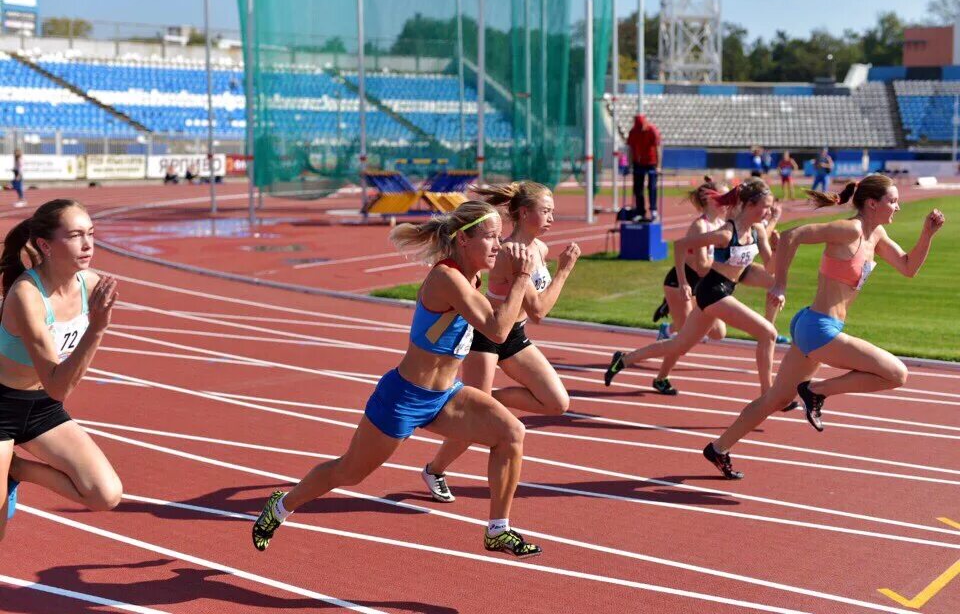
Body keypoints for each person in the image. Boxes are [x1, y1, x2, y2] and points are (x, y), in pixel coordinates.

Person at [251, 201, 543, 558]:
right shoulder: (447, 277)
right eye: (491, 237)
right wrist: (523, 277)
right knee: (348, 472)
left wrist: (520, 272)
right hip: (403, 397)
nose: (498, 244)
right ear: (464, 240)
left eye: (499, 237)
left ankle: (498, 529)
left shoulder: (473, 275)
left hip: (445, 397)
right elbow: (497, 329)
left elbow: (506, 316)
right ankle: (282, 505)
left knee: (511, 433)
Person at [702, 175, 945, 479]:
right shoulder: (850, 229)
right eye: (892, 201)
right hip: (819, 329)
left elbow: (909, 267)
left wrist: (928, 234)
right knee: (897, 373)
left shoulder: (876, 235)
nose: (897, 206)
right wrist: (778, 284)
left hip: (814, 326)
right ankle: (816, 392)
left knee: (776, 399)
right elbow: (791, 236)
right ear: (872, 204)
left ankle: (719, 448)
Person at [420, 182, 581, 503]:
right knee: (474, 422)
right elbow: (539, 311)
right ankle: (435, 469)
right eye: (545, 211)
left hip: (515, 337)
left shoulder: (540, 249)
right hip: (486, 336)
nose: (552, 217)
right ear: (524, 213)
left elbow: (530, 313)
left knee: (557, 403)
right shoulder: (510, 253)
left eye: (552, 211)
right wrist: (564, 272)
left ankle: (486, 399)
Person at [0, 199, 122, 541]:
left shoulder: (92, 286)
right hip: (2, 403)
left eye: (91, 234)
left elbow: (53, 390)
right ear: (45, 245)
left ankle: (17, 468)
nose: (87, 244)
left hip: (41, 407)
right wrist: (97, 328)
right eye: (75, 235)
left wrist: (96, 326)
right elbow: (59, 385)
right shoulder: (27, 295)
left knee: (105, 494)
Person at [604, 178, 790, 398]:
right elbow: (681, 245)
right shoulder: (726, 234)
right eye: (766, 207)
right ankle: (768, 394)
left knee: (679, 345)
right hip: (712, 291)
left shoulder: (758, 231)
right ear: (750, 206)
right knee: (768, 333)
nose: (769, 212)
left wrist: (777, 249)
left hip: (725, 289)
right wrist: (683, 282)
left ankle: (623, 359)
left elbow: (770, 268)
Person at [653, 178, 730, 342]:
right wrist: (728, 265)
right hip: (682, 282)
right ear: (711, 199)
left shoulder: (723, 224)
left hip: (703, 285)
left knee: (718, 333)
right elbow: (702, 267)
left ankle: (667, 328)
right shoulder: (700, 227)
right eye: (725, 198)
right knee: (688, 334)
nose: (729, 202)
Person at [626, 114, 662, 222]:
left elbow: (657, 149)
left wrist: (658, 166)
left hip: (651, 162)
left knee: (652, 187)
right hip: (638, 162)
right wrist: (630, 165)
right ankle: (640, 211)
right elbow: (630, 149)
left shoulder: (652, 131)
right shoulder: (633, 132)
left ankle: (653, 210)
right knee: (638, 188)